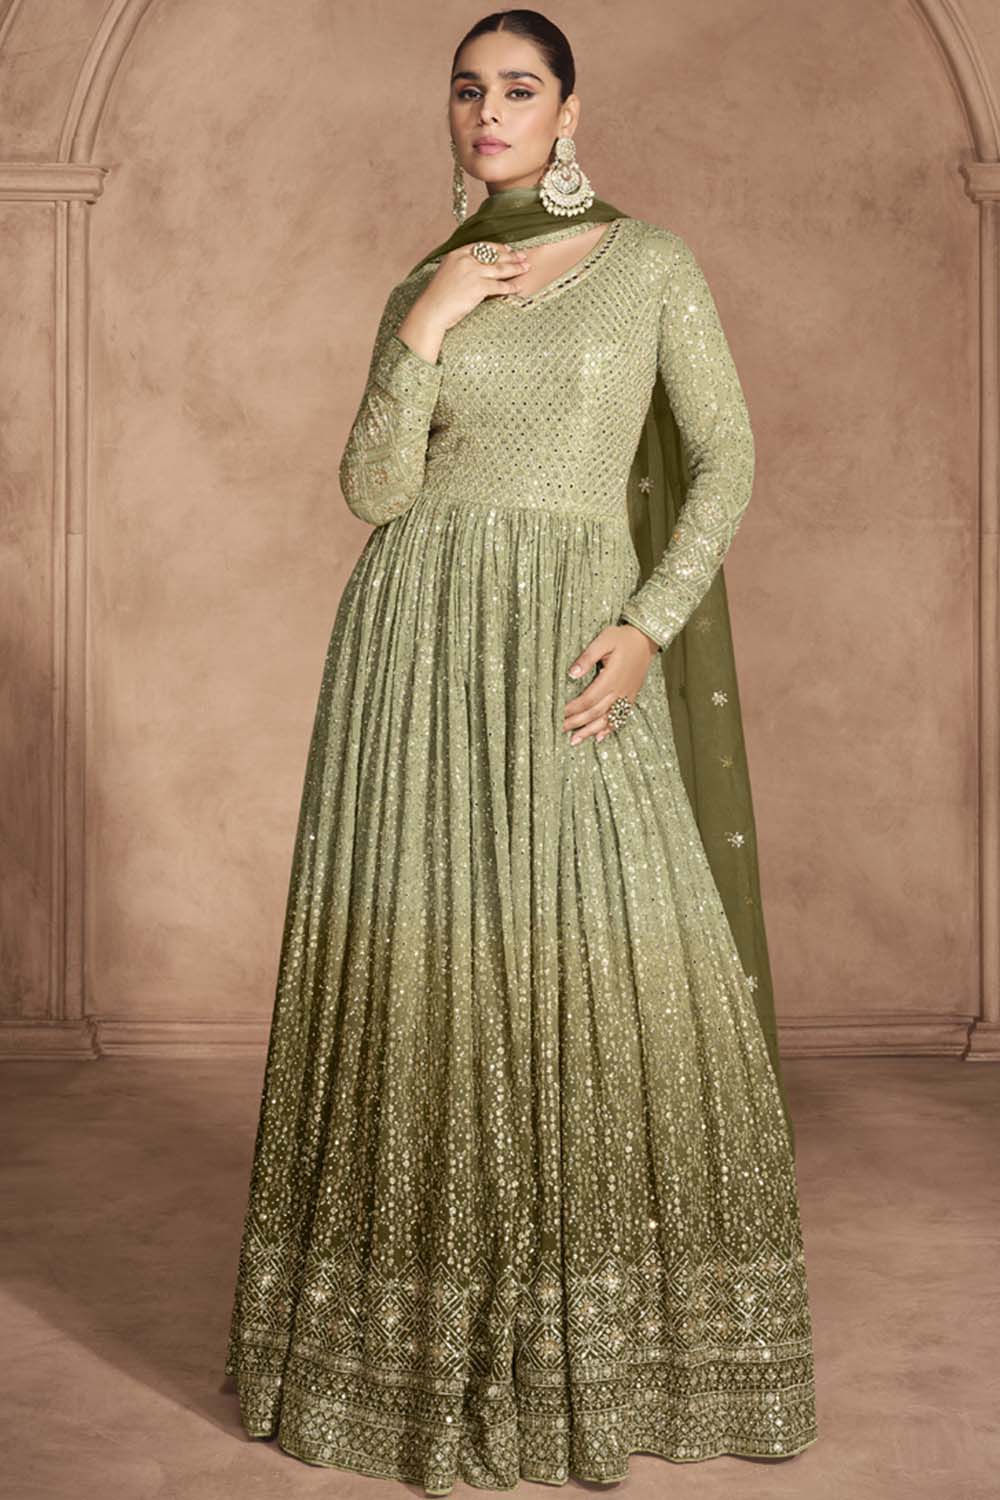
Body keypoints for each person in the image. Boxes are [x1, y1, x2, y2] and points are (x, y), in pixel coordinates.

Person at [224, 9, 819, 1492]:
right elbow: (376, 489)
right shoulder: (425, 282)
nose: (488, 113)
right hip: (413, 649)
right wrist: (424, 329)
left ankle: (613, 1344)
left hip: (568, 634)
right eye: (467, 92)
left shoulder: (650, 264)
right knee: (432, 959)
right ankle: (408, 1347)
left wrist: (649, 626)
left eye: (518, 89)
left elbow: (729, 457)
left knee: (609, 956)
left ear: (569, 112)